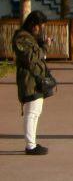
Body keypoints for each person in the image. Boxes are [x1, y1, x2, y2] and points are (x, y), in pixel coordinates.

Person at [13, 11, 53, 155]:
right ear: (32, 24)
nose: (40, 29)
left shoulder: (30, 37)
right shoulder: (21, 38)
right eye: (39, 26)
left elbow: (37, 55)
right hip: (28, 80)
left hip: (36, 79)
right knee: (31, 112)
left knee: (36, 112)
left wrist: (42, 45)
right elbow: (31, 57)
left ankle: (32, 142)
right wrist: (44, 47)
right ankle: (30, 145)